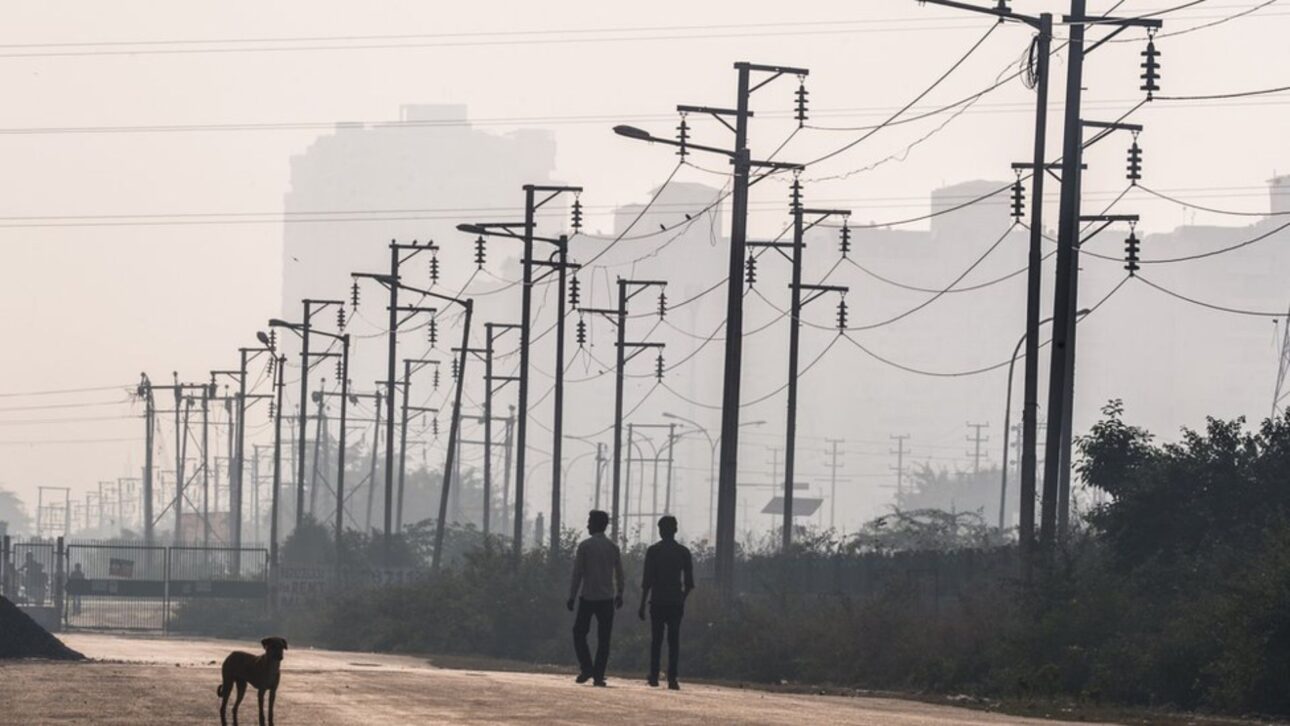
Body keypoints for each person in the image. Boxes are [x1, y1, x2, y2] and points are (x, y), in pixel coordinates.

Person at [567, 510, 624, 687]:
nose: (587, 525)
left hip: (588, 597)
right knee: (604, 639)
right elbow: (619, 573)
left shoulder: (585, 546)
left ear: (596, 524)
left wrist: (572, 596)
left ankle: (586, 667)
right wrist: (620, 593)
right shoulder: (613, 547)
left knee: (579, 633)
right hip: (606, 598)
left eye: (590, 522)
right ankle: (598, 675)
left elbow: (577, 574)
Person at [638, 515, 694, 690]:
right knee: (673, 641)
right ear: (675, 530)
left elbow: (647, 580)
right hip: (675, 602)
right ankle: (672, 678)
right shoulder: (683, 552)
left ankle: (654, 676)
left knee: (656, 640)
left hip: (657, 601)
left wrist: (642, 604)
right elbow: (689, 583)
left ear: (661, 531)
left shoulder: (654, 551)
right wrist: (681, 599)